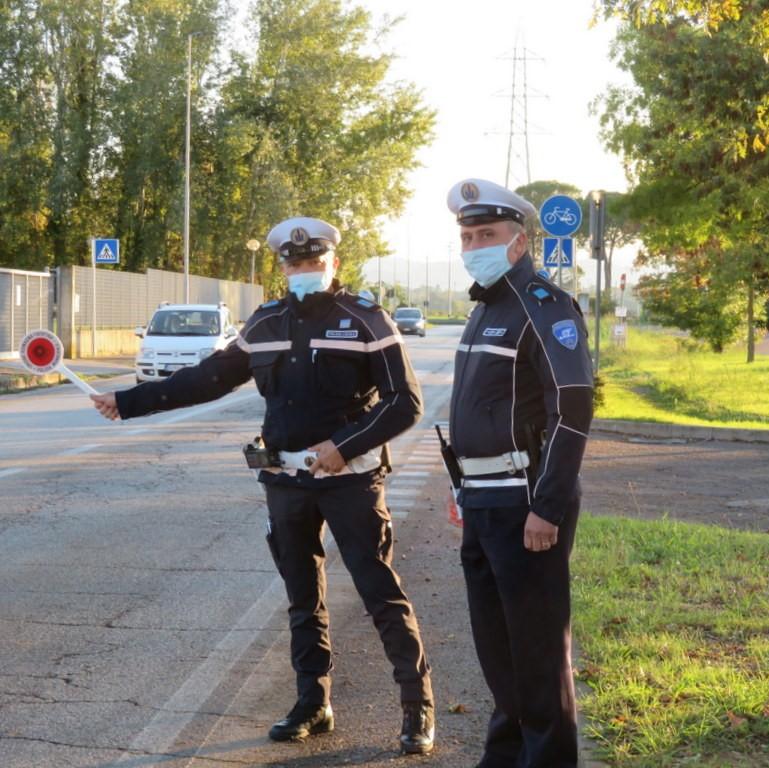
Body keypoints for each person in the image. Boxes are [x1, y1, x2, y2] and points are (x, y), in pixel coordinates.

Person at [90, 216, 435, 754]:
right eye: (295, 264)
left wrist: (342, 446)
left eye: (314, 263)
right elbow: (208, 378)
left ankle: (417, 711)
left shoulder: (366, 320)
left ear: (333, 264)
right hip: (285, 480)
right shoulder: (267, 321)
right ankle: (312, 702)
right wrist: (129, 401)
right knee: (303, 599)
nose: (304, 271)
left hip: (352, 480)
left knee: (379, 595)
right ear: (282, 268)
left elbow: (405, 402)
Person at [445, 179, 595, 767]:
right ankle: (506, 756)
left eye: (487, 234)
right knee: (497, 648)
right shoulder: (486, 308)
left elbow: (574, 406)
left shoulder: (542, 304)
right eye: (467, 235)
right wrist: (463, 488)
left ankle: (550, 760)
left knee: (535, 649)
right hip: (483, 500)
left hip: (525, 501)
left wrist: (548, 506)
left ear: (519, 240)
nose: (474, 243)